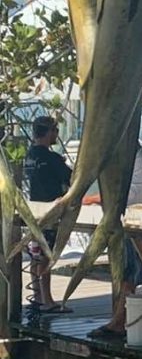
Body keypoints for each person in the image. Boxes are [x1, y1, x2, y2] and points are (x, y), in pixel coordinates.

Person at [91, 140, 142, 338]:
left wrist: (94, 199)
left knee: (137, 276)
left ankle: (124, 321)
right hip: (135, 226)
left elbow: (135, 195)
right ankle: (128, 320)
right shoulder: (137, 159)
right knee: (138, 276)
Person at [24, 114, 73, 312]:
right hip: (50, 211)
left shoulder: (29, 156)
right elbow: (71, 178)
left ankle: (38, 296)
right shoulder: (52, 159)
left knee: (36, 254)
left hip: (33, 211)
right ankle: (47, 300)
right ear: (49, 132)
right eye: (56, 131)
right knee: (46, 255)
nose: (57, 135)